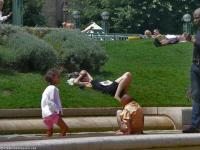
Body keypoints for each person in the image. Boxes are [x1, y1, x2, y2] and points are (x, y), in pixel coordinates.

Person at [183, 8, 200, 133]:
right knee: (196, 95)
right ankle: (195, 125)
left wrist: (192, 40)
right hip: (195, 66)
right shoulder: (198, 30)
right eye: (194, 17)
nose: (194, 20)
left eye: (197, 17)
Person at [41, 68, 69, 137]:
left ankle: (47, 143)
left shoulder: (47, 89)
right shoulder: (52, 88)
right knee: (64, 128)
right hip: (52, 113)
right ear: (52, 78)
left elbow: (45, 102)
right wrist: (57, 111)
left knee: (50, 131)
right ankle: (61, 144)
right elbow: (50, 101)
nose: (60, 78)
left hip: (46, 115)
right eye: (58, 77)